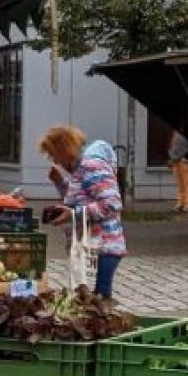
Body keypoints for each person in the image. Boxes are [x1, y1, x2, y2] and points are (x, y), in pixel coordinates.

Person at [40, 125, 130, 296]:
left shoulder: (91, 166)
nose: (55, 161)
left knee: (100, 300)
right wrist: (60, 183)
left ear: (64, 149)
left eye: (54, 155)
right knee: (90, 299)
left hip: (104, 246)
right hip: (91, 246)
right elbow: (81, 199)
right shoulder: (80, 169)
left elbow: (112, 203)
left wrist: (73, 214)